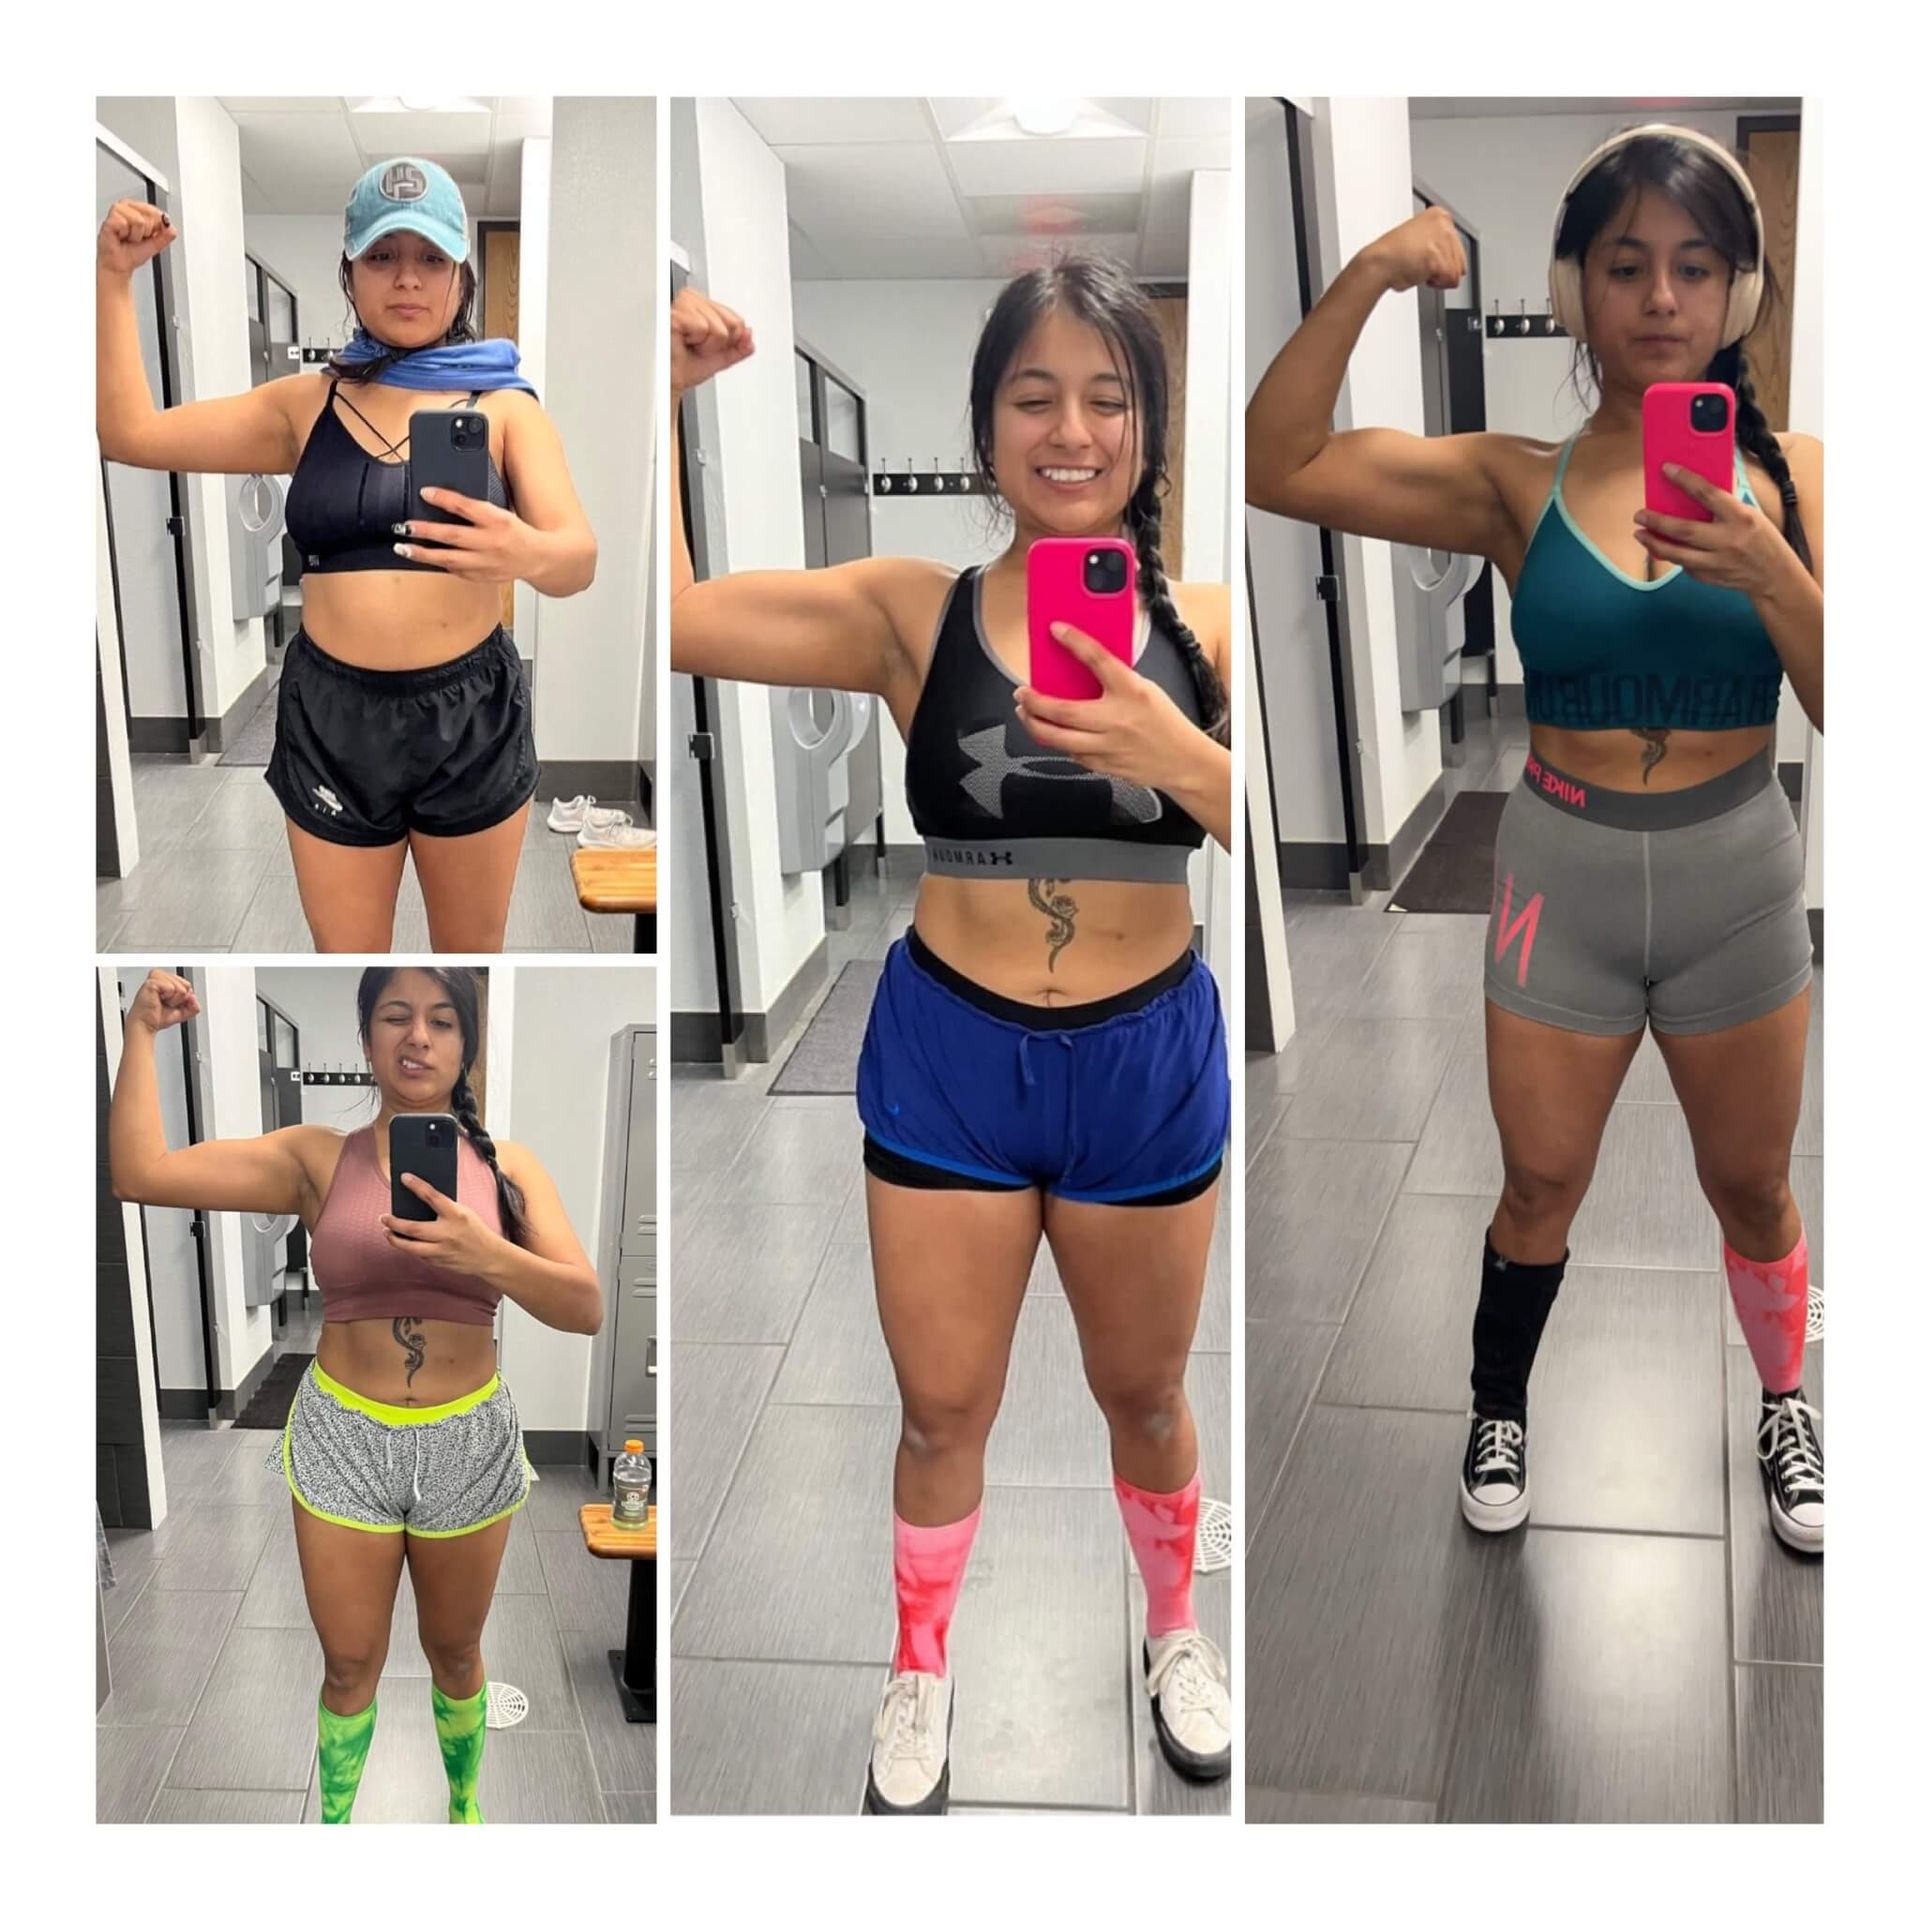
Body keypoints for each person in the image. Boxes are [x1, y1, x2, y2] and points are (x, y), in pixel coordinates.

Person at [672, 256, 1233, 1812]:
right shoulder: (907, 613)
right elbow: (673, 619)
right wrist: (659, 403)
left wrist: (1172, 744)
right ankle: (920, 1663)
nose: (1071, 429)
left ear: (1147, 423)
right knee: (939, 1408)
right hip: (950, 1057)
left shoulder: (1211, 630)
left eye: (1108, 397)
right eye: (1032, 395)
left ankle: (1178, 1626)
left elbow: (1264, 824)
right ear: (985, 425)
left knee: (1149, 1399)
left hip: (1143, 1061)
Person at [1248, 125, 1823, 1554]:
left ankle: (1790, 1397)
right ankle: (1497, 1401)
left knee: (1752, 1182)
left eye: (1696, 267)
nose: (1662, 298)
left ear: (1738, 295)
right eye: (1625, 266)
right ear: (1577, 292)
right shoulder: (1515, 480)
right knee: (1536, 1185)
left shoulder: (1800, 473)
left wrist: (1773, 566)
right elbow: (1279, 461)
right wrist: (1379, 267)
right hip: (1556, 877)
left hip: (1739, 874)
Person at [109, 966, 604, 1822]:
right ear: (368, 1036)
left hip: (468, 1438)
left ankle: (463, 1811)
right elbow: (141, 1172)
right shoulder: (315, 1159)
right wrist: (140, 1036)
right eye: (397, 1017)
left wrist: (485, 1252)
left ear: (466, 1044)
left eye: (443, 1020)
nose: (418, 1036)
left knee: (455, 1653)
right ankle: (334, 1830)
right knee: (348, 1663)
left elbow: (585, 1307)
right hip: (343, 1434)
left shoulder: (507, 1168)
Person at [96, 157, 597, 952]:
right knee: (347, 962)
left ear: (461, 280)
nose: (408, 279)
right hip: (332, 716)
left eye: (431, 259)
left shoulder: (504, 408)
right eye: (383, 257)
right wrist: (113, 279)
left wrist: (524, 548)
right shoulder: (306, 403)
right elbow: (130, 435)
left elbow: (577, 559)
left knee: (469, 964)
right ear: (350, 274)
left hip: (468, 716)